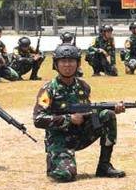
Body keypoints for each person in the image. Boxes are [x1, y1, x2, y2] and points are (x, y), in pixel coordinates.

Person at [33, 44, 128, 182]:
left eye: (71, 61)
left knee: (107, 115)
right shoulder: (48, 89)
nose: (67, 65)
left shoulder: (83, 87)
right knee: (65, 176)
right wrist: (68, 119)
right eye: (63, 61)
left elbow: (89, 112)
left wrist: (111, 109)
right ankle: (55, 163)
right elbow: (38, 119)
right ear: (56, 64)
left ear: (77, 63)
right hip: (59, 139)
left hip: (81, 134)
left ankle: (104, 166)